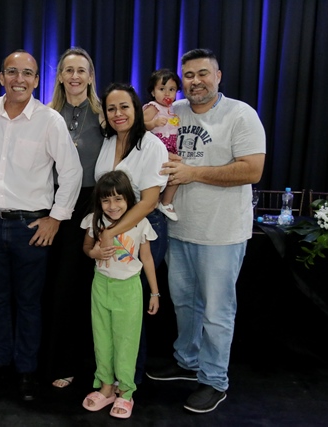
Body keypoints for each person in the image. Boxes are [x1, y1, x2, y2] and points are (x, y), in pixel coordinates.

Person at [146, 48, 266, 413]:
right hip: (180, 229)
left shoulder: (240, 114)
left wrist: (194, 172)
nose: (195, 81)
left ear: (218, 76)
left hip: (222, 234)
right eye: (189, 76)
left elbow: (252, 170)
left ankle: (215, 380)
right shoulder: (174, 110)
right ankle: (187, 361)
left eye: (203, 73)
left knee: (217, 311)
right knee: (184, 303)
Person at [0, 50, 82, 401]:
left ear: (37, 80)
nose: (20, 79)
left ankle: (26, 372)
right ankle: (1, 365)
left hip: (31, 228)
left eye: (28, 73)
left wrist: (56, 218)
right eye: (12, 72)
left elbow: (72, 172)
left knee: (30, 303)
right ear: (1, 76)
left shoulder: (49, 120)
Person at [94, 83, 170, 385]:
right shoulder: (108, 142)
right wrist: (105, 232)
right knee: (109, 310)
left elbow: (150, 200)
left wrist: (112, 232)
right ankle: (108, 377)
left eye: (124, 106)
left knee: (130, 313)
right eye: (111, 108)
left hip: (142, 230)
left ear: (137, 109)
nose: (118, 113)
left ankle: (129, 383)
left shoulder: (151, 145)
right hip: (110, 232)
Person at [41, 47, 104, 389]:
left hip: (93, 206)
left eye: (82, 70)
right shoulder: (45, 114)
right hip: (54, 206)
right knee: (57, 287)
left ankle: (92, 363)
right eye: (69, 70)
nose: (76, 76)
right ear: (61, 76)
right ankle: (56, 360)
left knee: (86, 288)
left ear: (91, 76)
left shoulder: (106, 116)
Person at [80, 170, 160, 420]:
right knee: (102, 337)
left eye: (118, 199)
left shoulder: (140, 223)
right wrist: (93, 254)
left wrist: (155, 293)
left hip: (128, 289)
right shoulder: (95, 219)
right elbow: (85, 246)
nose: (112, 206)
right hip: (101, 286)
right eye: (106, 200)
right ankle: (105, 386)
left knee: (126, 341)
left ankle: (125, 390)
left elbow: (146, 258)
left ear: (129, 199)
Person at [143, 68, 182, 221]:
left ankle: (163, 201)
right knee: (174, 169)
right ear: (153, 92)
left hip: (170, 146)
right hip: (158, 147)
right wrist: (153, 123)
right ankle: (164, 202)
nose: (167, 94)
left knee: (176, 172)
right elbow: (140, 124)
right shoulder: (154, 107)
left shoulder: (172, 109)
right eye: (162, 89)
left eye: (172, 90)